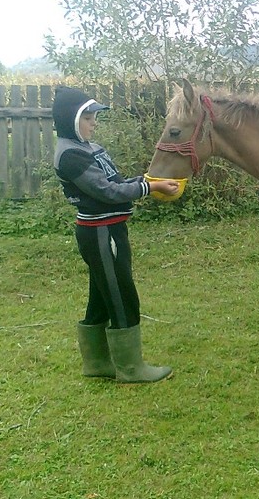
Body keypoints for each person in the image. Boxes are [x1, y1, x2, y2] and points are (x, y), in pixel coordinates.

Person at [53, 86, 178, 383]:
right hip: (99, 232)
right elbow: (107, 192)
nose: (94, 122)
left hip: (109, 229)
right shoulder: (71, 154)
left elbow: (115, 180)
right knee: (121, 294)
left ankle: (97, 363)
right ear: (72, 118)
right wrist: (151, 188)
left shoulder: (88, 147)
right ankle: (131, 368)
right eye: (89, 117)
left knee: (101, 295)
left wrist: (146, 180)